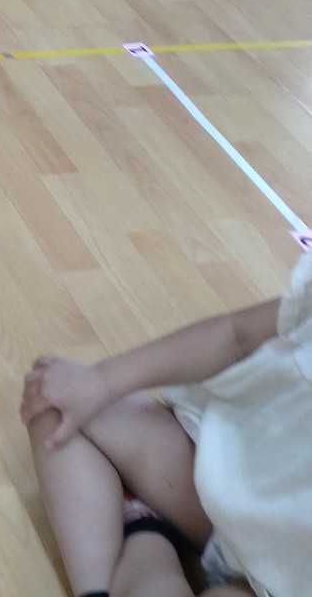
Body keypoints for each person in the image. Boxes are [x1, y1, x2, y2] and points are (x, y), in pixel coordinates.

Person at [20, 249, 312, 597]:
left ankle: (144, 533)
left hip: (278, 579)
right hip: (209, 477)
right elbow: (236, 335)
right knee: (54, 403)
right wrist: (100, 381)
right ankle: (108, 575)